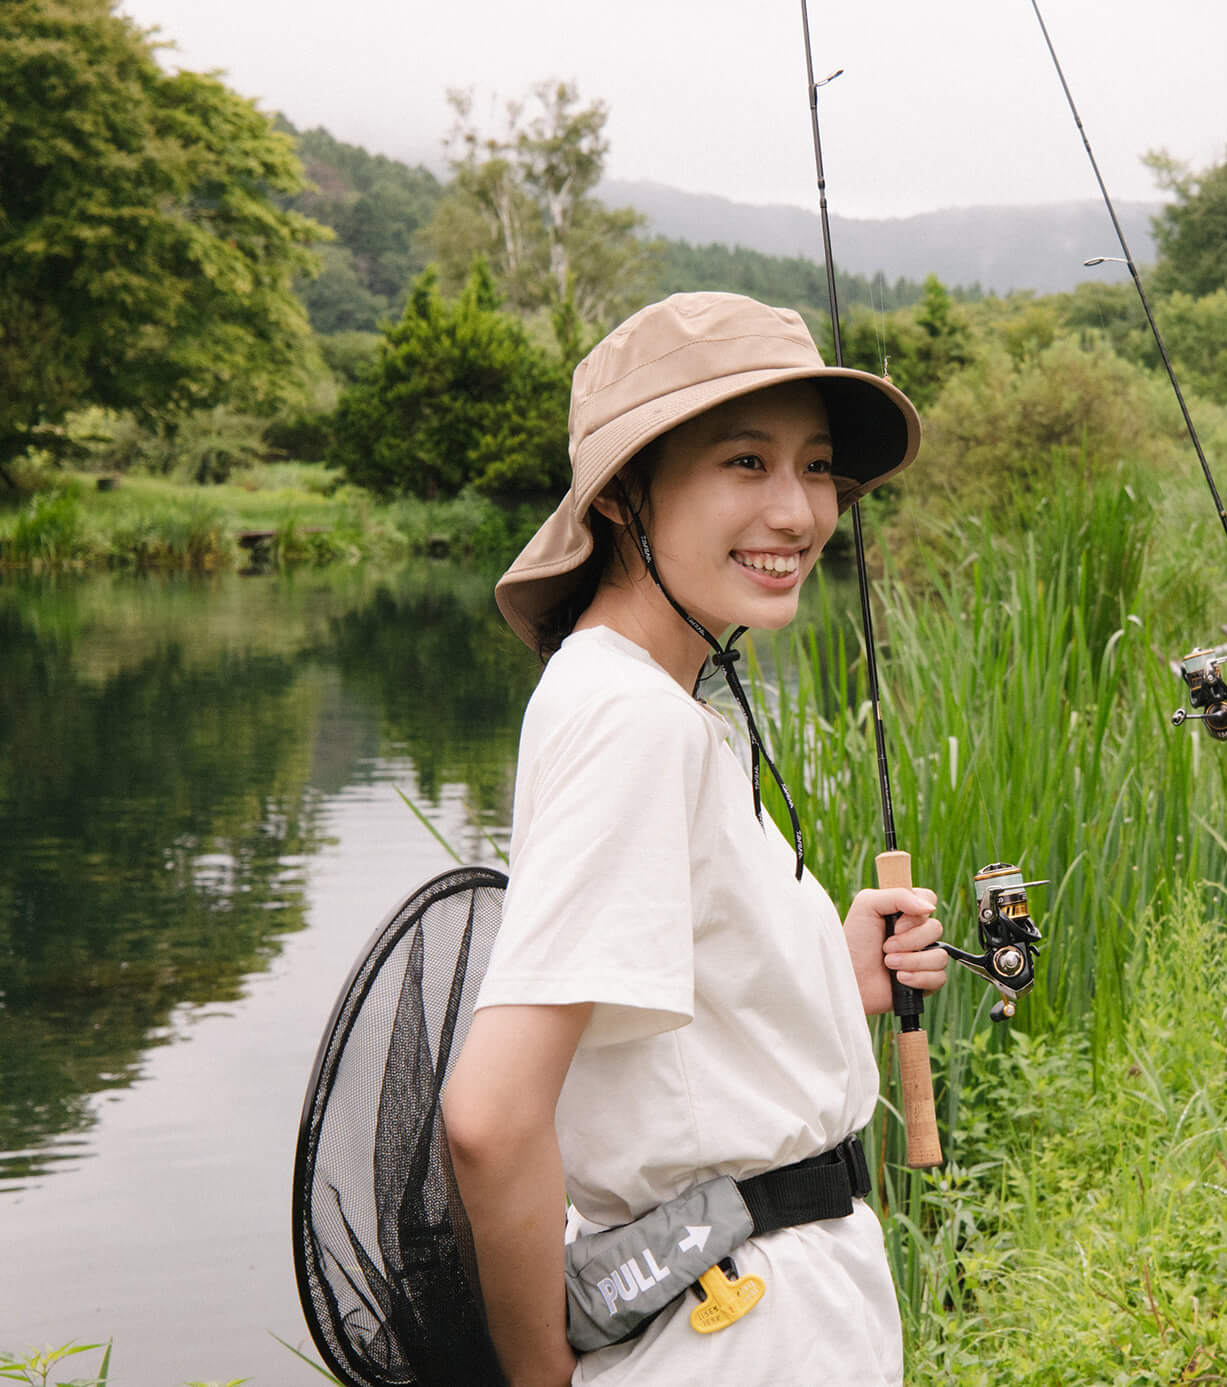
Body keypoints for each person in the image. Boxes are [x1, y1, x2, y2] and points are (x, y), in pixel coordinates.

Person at [442, 292, 950, 1387]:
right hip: (742, 1335)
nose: (799, 511)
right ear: (626, 494)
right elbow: (489, 1116)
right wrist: (540, 1379)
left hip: (755, 1312)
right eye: (744, 462)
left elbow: (643, 1033)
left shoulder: (637, 695)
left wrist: (825, 971)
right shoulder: (631, 719)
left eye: (815, 466)